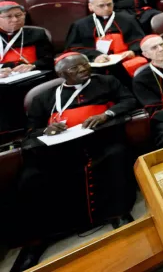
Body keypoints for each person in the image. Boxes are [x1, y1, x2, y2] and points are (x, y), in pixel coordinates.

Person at [9, 53, 136, 270]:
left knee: (117, 154)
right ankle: (38, 240)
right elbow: (31, 130)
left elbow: (129, 100)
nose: (83, 69)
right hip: (61, 149)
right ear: (61, 74)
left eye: (85, 64)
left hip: (100, 140)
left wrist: (107, 114)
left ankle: (118, 212)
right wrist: (46, 130)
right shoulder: (44, 98)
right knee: (31, 178)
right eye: (75, 68)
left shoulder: (106, 82)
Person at [64, 0, 147, 79]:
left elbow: (141, 40)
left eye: (109, 4)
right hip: (96, 62)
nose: (106, 8)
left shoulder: (128, 19)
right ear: (90, 6)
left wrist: (133, 51)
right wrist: (95, 56)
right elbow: (74, 49)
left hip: (125, 59)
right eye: (101, 5)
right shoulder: (80, 25)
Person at [0, 1, 55, 132]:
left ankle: (33, 129)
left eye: (19, 15)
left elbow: (48, 60)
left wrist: (33, 65)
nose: (15, 19)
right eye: (9, 16)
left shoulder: (37, 34)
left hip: (31, 80)